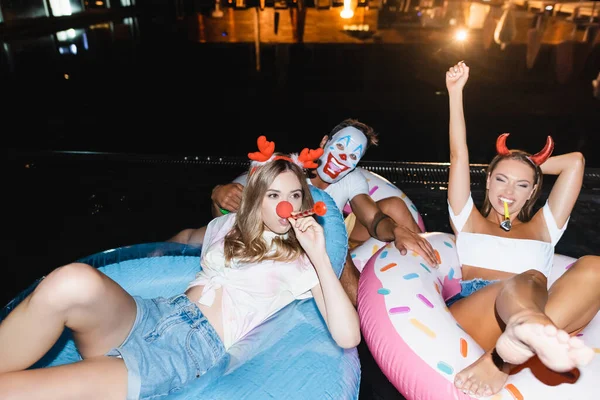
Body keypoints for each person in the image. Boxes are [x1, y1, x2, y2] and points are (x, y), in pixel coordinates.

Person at [0, 144, 360, 400]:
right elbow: (185, 239)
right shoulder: (228, 227)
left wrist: (318, 256)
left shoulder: (298, 262)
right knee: (72, 279)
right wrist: (153, 252)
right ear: (257, 198)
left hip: (186, 353)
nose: (286, 203)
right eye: (274, 194)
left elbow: (348, 336)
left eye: (295, 195)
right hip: (153, 314)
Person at [445, 60, 597, 397]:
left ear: (533, 191)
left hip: (536, 308)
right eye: (501, 179)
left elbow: (576, 162)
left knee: (595, 267)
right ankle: (521, 335)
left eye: (521, 185)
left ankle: (508, 351)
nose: (508, 192)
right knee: (527, 278)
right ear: (487, 181)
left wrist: (528, 164)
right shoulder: (468, 218)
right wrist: (455, 93)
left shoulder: (545, 226)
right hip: (479, 311)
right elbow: (459, 154)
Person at [211, 120, 438, 306]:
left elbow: (373, 218)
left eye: (352, 157)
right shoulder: (291, 168)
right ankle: (366, 310)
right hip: (292, 240)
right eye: (339, 147)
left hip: (337, 235)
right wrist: (219, 192)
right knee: (330, 235)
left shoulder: (352, 178)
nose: (341, 159)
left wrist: (398, 230)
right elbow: (236, 203)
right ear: (324, 142)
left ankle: (430, 272)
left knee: (392, 209)